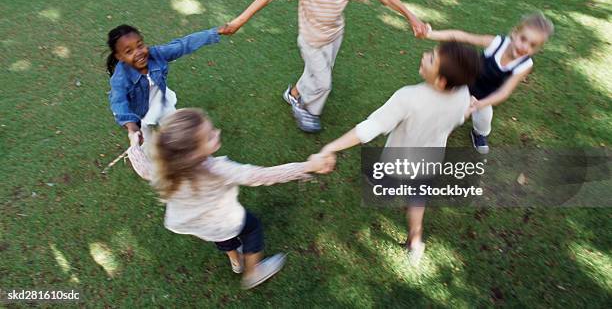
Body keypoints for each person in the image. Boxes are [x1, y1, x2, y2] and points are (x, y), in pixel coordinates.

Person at [223, 0, 428, 132]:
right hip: (311, 40)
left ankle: (293, 94)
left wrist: (411, 17)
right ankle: (306, 110)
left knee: (316, 73)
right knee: (323, 83)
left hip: (334, 36)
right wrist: (239, 21)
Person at [126, 108, 334, 289]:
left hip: (197, 223)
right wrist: (308, 167)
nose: (217, 133)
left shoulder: (166, 169)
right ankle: (252, 273)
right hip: (225, 219)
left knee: (223, 237)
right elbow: (263, 175)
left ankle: (236, 262)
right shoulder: (217, 170)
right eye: (209, 136)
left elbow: (143, 169)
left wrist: (134, 145)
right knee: (252, 228)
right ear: (191, 154)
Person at [319, 42, 481, 265]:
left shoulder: (408, 97)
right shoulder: (462, 93)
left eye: (432, 58)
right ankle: (416, 240)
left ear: (441, 81)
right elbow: (458, 117)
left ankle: (386, 188)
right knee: (417, 199)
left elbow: (369, 129)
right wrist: (467, 111)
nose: (424, 56)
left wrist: (331, 147)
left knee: (387, 180)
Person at [424, 12, 554, 153]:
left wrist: (481, 104)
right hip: (465, 84)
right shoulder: (497, 44)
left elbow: (504, 92)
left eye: (532, 45)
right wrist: (431, 34)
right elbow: (462, 37)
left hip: (485, 97)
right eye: (523, 39)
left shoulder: (525, 65)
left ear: (537, 49)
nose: (525, 47)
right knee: (448, 110)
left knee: (484, 120)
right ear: (515, 33)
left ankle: (478, 134)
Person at [106, 24, 229, 146]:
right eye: (129, 51)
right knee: (145, 143)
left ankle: (186, 154)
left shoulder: (156, 54)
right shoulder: (119, 78)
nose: (138, 53)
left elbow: (183, 45)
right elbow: (118, 102)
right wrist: (132, 126)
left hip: (161, 102)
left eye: (140, 45)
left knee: (177, 133)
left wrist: (216, 32)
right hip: (140, 114)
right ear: (119, 56)